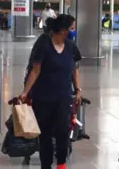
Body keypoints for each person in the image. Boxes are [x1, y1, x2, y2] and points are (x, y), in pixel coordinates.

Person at [20, 14, 82, 169]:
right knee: (45, 133)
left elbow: (74, 70)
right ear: (62, 30)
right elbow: (35, 70)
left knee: (62, 129)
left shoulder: (70, 46)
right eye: (71, 29)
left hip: (63, 96)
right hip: (43, 97)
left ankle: (61, 162)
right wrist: (25, 92)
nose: (73, 31)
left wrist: (78, 90)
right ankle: (46, 165)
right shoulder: (43, 44)